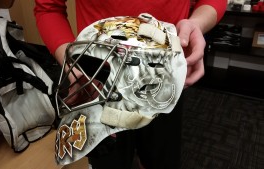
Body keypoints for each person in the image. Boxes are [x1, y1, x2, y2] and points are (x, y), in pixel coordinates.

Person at [34, 0, 227, 169]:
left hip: (164, 78)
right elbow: (49, 8)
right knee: (109, 161)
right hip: (99, 83)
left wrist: (196, 24)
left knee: (160, 159)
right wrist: (75, 65)